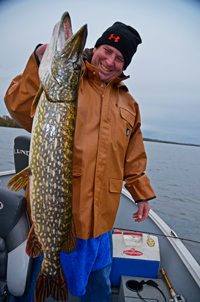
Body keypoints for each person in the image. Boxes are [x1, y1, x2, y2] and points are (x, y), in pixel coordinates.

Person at [4, 21, 156, 302]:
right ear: (95, 48)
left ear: (124, 65)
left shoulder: (129, 103)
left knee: (98, 286)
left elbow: (133, 154)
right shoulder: (69, 81)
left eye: (119, 58)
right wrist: (38, 59)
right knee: (39, 281)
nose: (109, 61)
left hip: (102, 223)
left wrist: (141, 193)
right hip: (62, 213)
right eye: (106, 50)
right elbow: (18, 106)